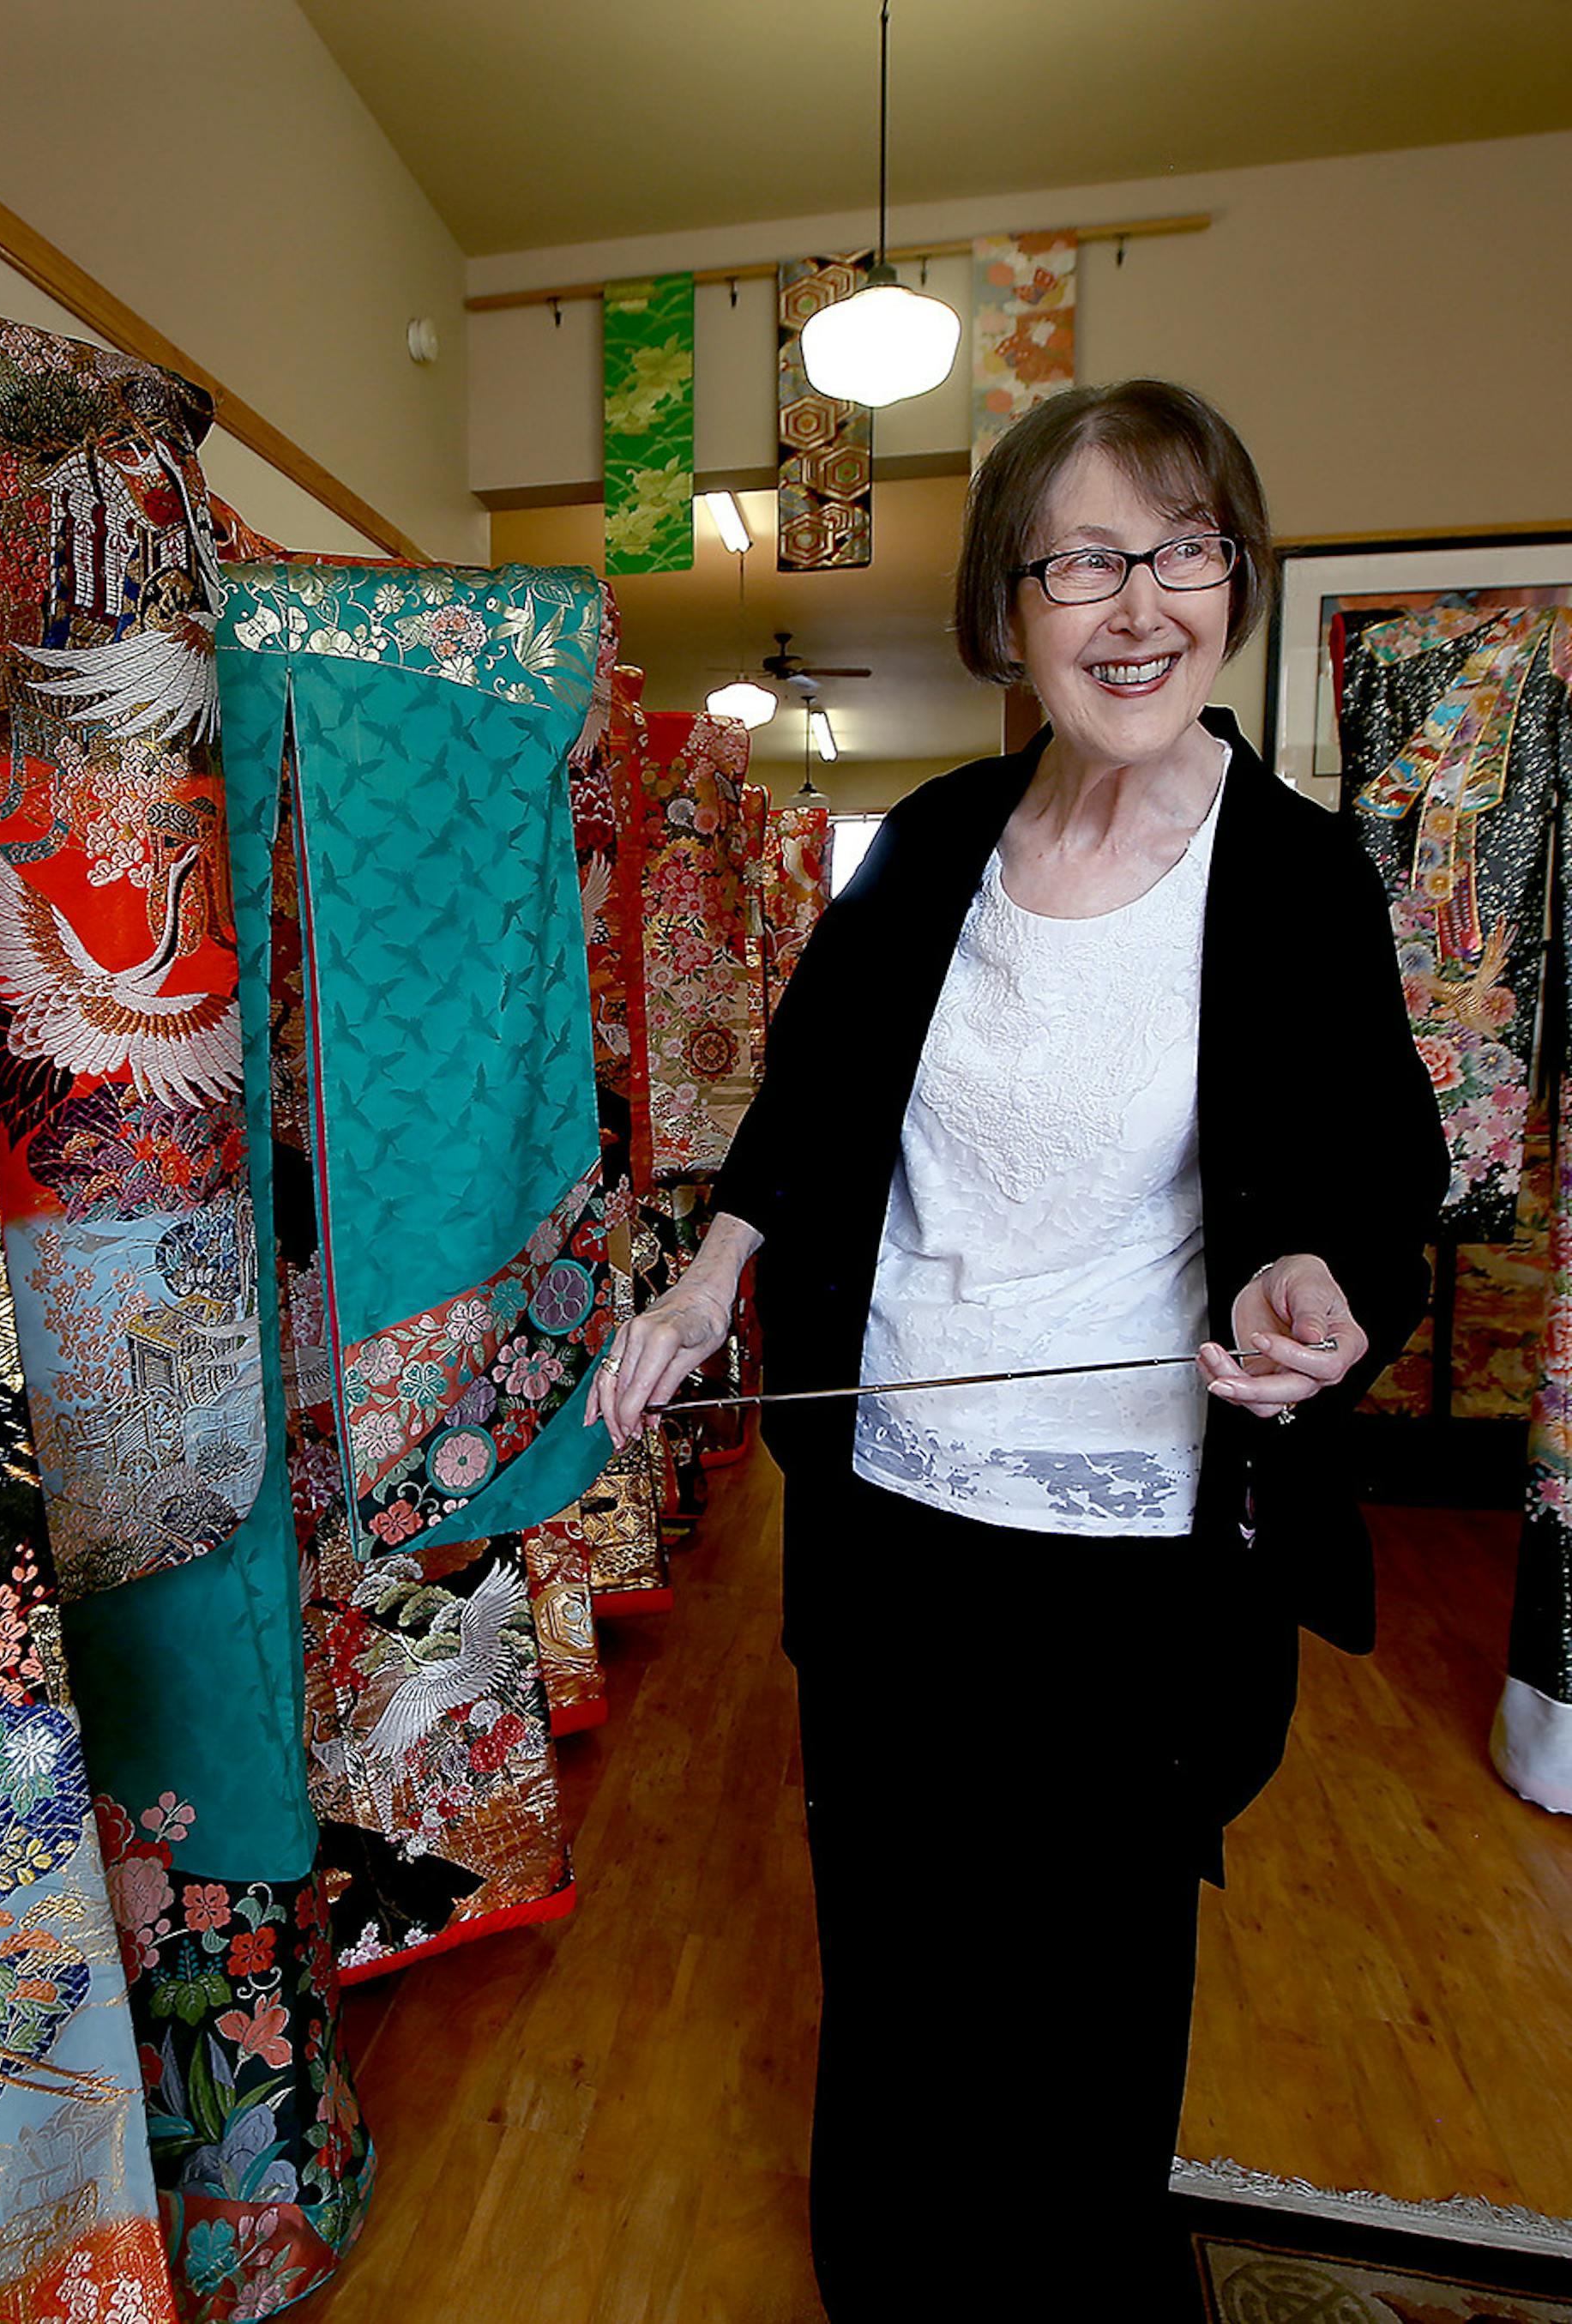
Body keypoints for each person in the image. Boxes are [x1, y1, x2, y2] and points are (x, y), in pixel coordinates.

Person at [587, 379, 1449, 2318]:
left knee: (1089, 1997)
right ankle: (888, 2281)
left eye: (1179, 548)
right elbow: (810, 1094)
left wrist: (1317, 1287)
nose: (1132, 601)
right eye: (1080, 558)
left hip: (1138, 1554)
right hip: (889, 1517)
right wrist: (710, 1274)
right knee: (893, 1955)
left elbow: (1374, 1167)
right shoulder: (945, 833)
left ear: (1234, 578)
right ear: (1011, 602)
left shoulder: (1303, 876)